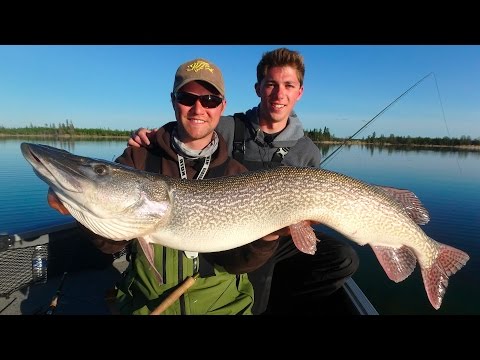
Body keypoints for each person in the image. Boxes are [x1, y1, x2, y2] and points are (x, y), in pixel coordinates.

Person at [128, 48, 360, 315]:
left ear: (299, 92)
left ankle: (284, 300)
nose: (279, 94)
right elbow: (191, 124)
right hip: (232, 225)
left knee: (343, 258)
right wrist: (147, 136)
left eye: (288, 85)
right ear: (258, 88)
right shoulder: (227, 126)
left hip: (279, 230)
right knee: (257, 291)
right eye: (271, 84)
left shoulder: (307, 150)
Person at [48, 57, 283, 315]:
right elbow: (112, 245)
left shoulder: (237, 174)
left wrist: (269, 237)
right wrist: (80, 207)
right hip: (147, 303)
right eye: (186, 98)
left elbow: (237, 263)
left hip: (223, 306)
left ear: (222, 106)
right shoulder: (138, 158)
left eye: (210, 100)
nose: (198, 108)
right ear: (173, 101)